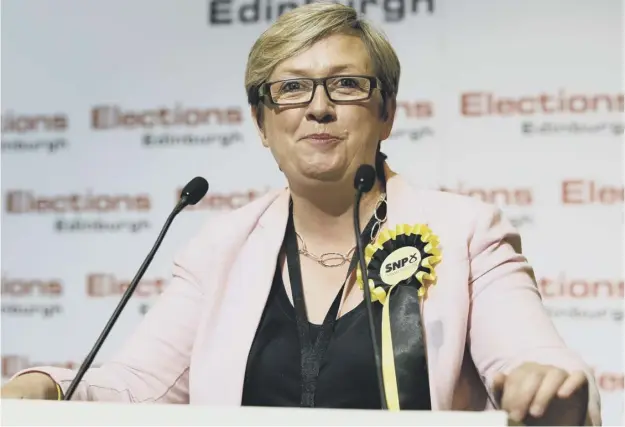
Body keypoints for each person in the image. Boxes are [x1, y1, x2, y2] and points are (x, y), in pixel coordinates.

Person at [1, 2, 600, 425]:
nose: (318, 108)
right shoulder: (222, 247)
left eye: (345, 85)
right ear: (262, 122)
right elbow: (140, 387)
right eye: (290, 88)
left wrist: (549, 389)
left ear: (386, 112)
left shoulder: (467, 231)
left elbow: (532, 360)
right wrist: (50, 385)